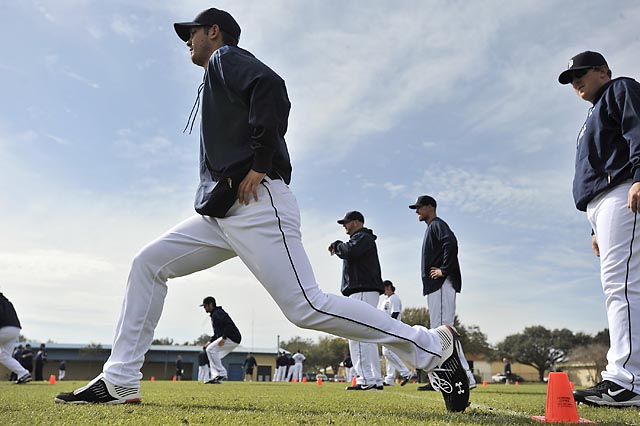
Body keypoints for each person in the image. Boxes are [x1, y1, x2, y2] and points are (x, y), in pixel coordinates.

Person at [54, 7, 469, 412]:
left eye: (192, 33)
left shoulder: (224, 57)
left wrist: (259, 160)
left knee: (306, 306)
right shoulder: (217, 72)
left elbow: (271, 85)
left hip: (256, 203)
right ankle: (120, 379)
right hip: (221, 214)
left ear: (214, 32)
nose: (188, 41)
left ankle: (432, 344)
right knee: (148, 264)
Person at [558, 51, 640, 407]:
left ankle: (626, 381)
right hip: (602, 204)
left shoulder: (620, 88)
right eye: (571, 78)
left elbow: (637, 127)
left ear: (603, 72)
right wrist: (592, 227)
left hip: (622, 190)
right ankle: (627, 376)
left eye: (581, 73)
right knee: (622, 284)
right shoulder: (593, 112)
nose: (575, 81)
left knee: (621, 285)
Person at [409, 196, 476, 390]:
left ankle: (466, 377)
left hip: (441, 284)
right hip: (437, 286)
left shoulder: (437, 224)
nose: (417, 211)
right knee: (439, 332)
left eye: (420, 207)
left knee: (443, 330)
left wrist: (444, 269)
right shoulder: (432, 227)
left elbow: (451, 243)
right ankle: (442, 378)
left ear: (430, 207)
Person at [329, 211, 384, 391]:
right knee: (367, 336)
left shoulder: (362, 237)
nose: (344, 225)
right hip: (365, 291)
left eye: (347, 222)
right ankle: (374, 378)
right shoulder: (364, 238)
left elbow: (349, 251)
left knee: (357, 334)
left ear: (357, 222)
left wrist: (337, 245)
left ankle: (365, 379)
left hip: (361, 290)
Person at [378, 281, 415, 386]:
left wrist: (390, 326)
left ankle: (406, 373)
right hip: (386, 328)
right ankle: (389, 379)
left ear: (388, 287)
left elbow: (395, 313)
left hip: (392, 328)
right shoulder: (386, 300)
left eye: (384, 288)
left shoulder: (394, 298)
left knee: (387, 352)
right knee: (389, 354)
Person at [201, 296, 241, 384]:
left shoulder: (218, 313)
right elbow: (217, 333)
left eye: (205, 306)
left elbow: (229, 325)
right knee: (212, 354)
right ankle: (216, 378)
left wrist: (224, 337)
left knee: (210, 350)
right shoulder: (214, 314)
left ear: (211, 304)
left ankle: (221, 373)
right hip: (231, 337)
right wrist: (210, 341)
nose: (204, 308)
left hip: (232, 337)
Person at [0, 293, 31, 384]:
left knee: (4, 356)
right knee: (4, 356)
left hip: (4, 328)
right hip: (15, 329)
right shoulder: (6, 301)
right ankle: (23, 373)